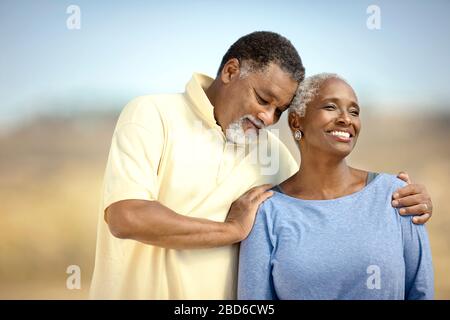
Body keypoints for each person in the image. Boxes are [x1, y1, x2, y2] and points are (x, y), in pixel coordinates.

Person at [90, 32, 433, 299]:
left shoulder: (273, 153)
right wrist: (231, 230)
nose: (268, 118)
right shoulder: (152, 114)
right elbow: (126, 216)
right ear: (230, 71)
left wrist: (405, 199)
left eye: (279, 111)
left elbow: (325, 198)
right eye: (263, 99)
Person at [238, 73, 434, 300]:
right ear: (296, 121)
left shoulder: (397, 196)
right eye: (331, 107)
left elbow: (421, 292)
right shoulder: (268, 211)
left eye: (354, 111)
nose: (346, 119)